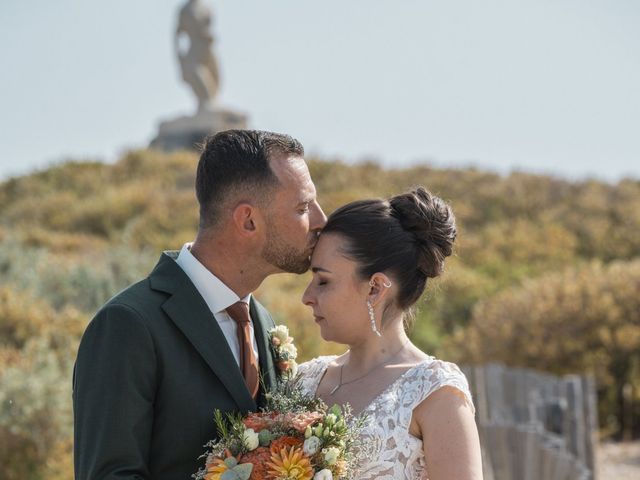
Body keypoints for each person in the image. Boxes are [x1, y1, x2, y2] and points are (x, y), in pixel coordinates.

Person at [73, 129, 326, 480]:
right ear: (248, 220)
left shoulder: (263, 323)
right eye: (302, 207)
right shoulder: (129, 324)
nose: (320, 220)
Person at [298, 187, 483, 480]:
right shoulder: (302, 379)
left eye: (323, 281)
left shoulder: (434, 391)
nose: (307, 297)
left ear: (375, 288)